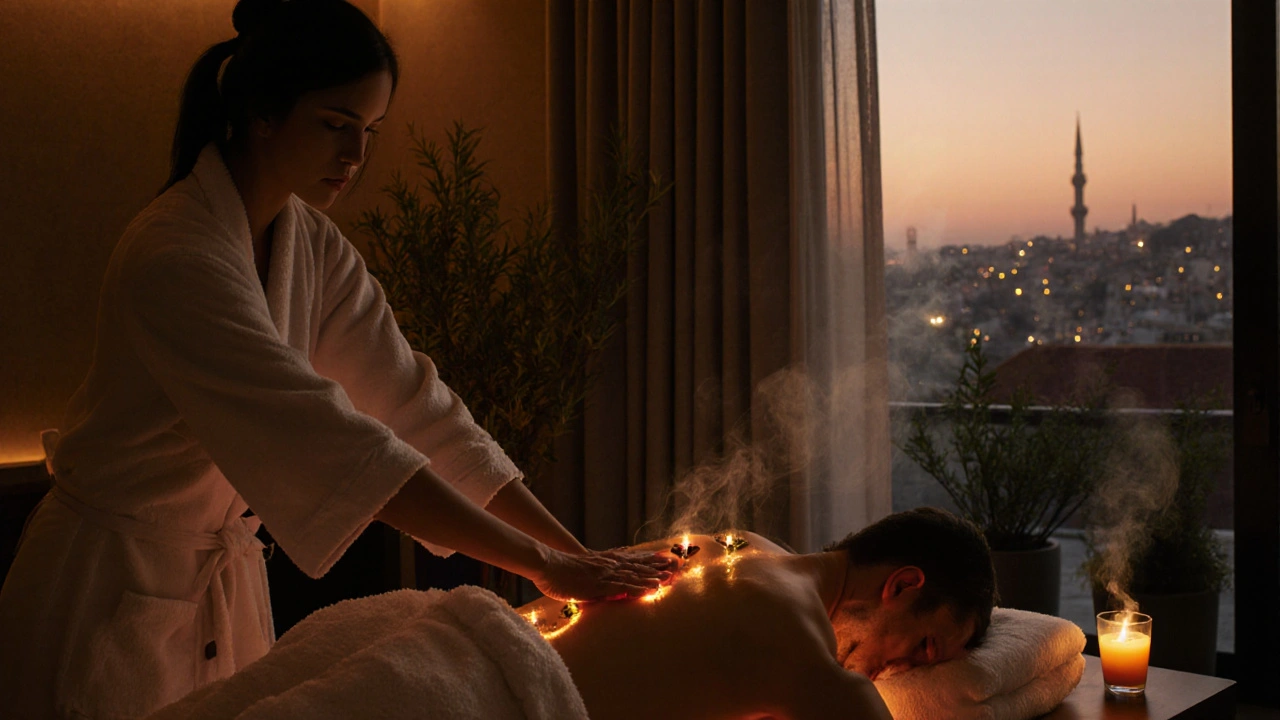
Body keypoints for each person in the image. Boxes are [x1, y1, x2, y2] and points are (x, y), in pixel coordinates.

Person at [0, 1, 669, 717]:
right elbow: (340, 444)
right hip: (109, 590)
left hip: (216, 592)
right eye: (334, 125)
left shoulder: (308, 245)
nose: (354, 156)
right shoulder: (175, 258)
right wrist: (546, 566)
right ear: (262, 113)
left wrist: (573, 556)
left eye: (369, 132)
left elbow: (416, 409)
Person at [517, 508, 998, 720]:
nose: (901, 674)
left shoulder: (738, 547)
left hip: (474, 638)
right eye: (924, 648)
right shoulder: (801, 657)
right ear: (903, 585)